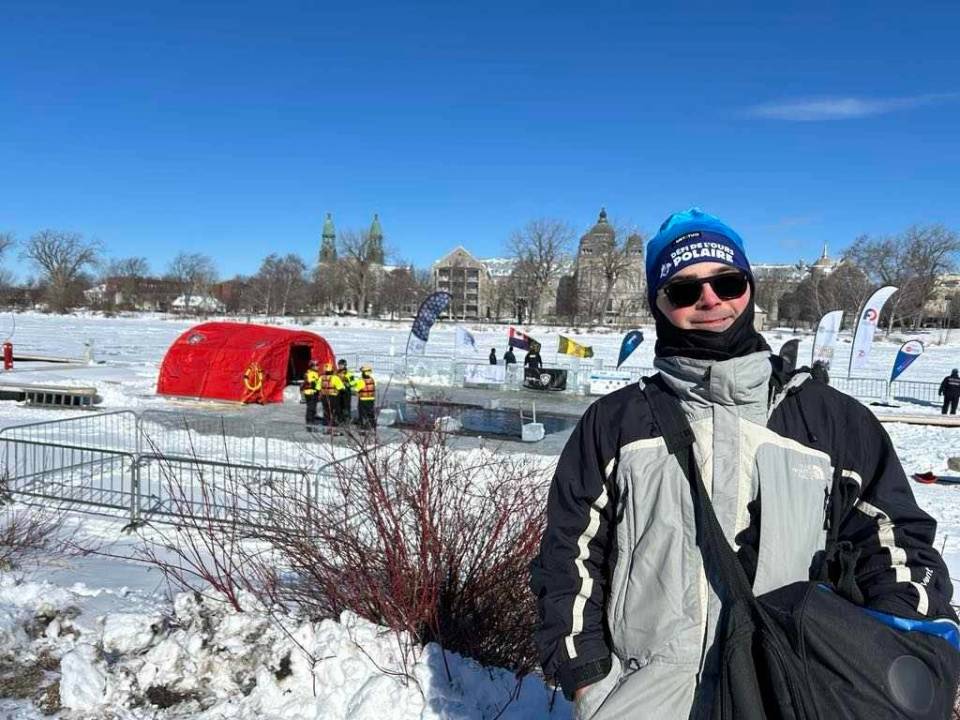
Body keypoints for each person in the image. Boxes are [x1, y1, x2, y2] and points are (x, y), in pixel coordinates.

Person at [530, 208, 956, 719]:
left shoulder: (831, 419)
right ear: (658, 305)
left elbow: (897, 544)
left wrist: (884, 655)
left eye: (726, 282)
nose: (709, 300)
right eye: (684, 291)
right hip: (649, 699)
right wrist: (588, 680)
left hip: (792, 692)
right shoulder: (616, 421)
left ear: (748, 288)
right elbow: (568, 556)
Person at [336, 359, 357, 424]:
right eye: (339, 365)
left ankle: (346, 419)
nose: (340, 366)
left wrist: (348, 383)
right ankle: (340, 419)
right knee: (339, 406)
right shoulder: (336, 373)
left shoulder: (349, 373)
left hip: (346, 392)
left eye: (341, 365)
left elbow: (354, 382)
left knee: (346, 406)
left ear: (345, 365)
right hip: (338, 392)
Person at [356, 364, 377, 429]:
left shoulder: (361, 381)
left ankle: (363, 425)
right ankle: (372, 424)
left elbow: (356, 389)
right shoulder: (373, 380)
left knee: (362, 413)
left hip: (363, 399)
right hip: (371, 399)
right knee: (370, 412)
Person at [302, 360, 321, 425]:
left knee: (313, 406)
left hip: (313, 392)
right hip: (310, 392)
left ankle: (312, 417)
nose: (318, 367)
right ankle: (309, 420)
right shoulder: (310, 373)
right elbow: (313, 383)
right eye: (316, 365)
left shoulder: (314, 373)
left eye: (318, 365)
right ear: (312, 366)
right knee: (311, 407)